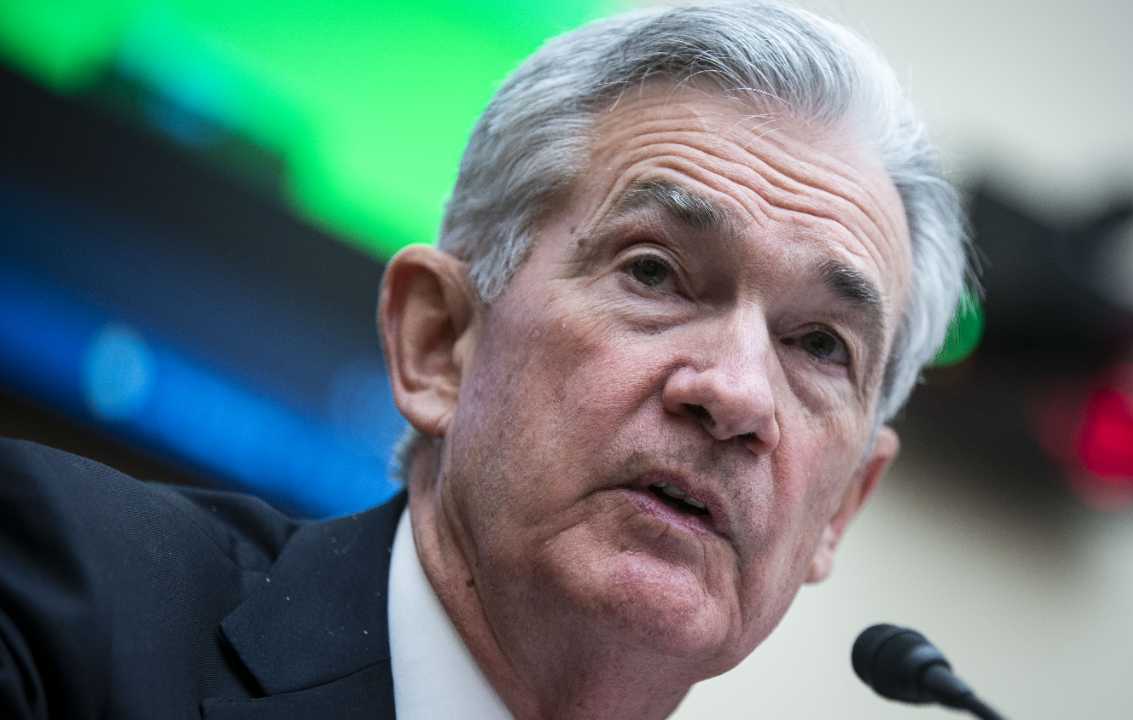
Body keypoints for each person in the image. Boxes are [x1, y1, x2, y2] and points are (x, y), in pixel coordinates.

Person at [0, 3, 967, 719]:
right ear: (439, 342)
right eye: (654, 271)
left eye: (819, 345)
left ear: (841, 509)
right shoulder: (60, 595)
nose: (737, 394)